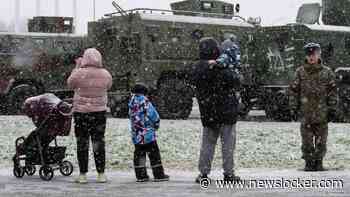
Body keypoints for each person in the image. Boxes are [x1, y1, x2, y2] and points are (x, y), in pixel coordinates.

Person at [190, 37, 241, 183]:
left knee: (207, 144)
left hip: (208, 113)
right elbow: (235, 80)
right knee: (228, 146)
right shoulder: (222, 67)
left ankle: (203, 173)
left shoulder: (197, 68)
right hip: (227, 113)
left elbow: (194, 77)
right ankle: (229, 173)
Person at [289, 43, 337, 171]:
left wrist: (332, 108)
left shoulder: (327, 72)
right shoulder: (300, 72)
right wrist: (293, 108)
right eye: (309, 54)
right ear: (306, 56)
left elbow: (332, 92)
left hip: (322, 113)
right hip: (306, 113)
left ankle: (319, 162)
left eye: (314, 54)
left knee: (321, 140)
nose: (311, 57)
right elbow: (294, 91)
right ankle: (309, 162)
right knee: (307, 141)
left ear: (318, 55)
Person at [67, 48, 113, 183]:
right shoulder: (105, 74)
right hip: (99, 113)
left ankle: (82, 175)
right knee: (98, 142)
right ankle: (101, 174)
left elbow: (70, 84)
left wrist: (77, 66)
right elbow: (108, 86)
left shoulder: (79, 73)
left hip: (81, 114)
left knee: (82, 143)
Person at [128, 83, 169, 182]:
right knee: (154, 154)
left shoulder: (131, 104)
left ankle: (141, 175)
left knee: (139, 154)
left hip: (137, 134)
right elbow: (153, 115)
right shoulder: (145, 102)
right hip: (148, 134)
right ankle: (158, 174)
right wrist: (156, 124)